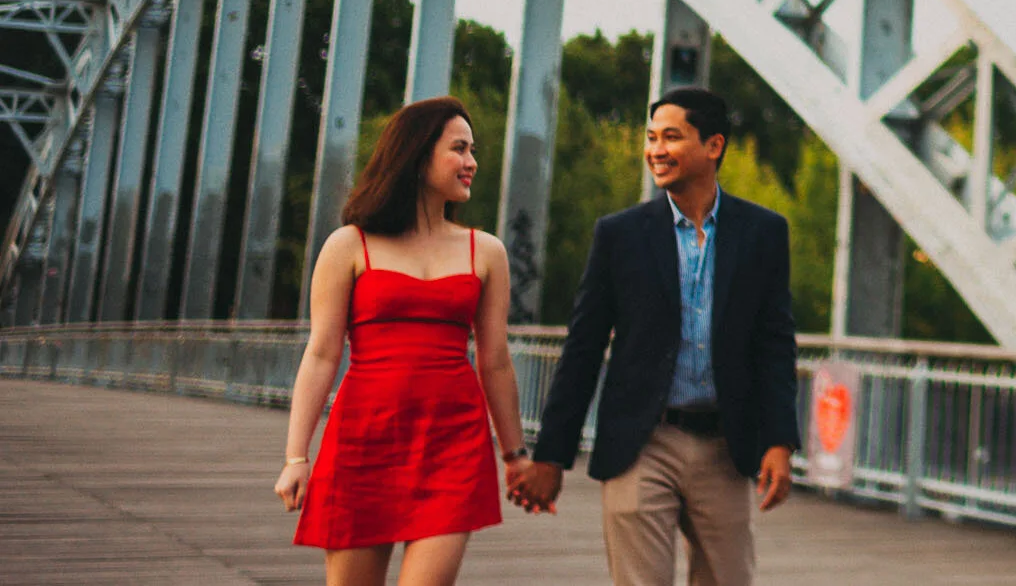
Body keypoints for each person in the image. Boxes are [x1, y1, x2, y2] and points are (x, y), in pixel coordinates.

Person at [510, 85, 799, 586]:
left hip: (724, 445)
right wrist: (552, 456)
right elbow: (583, 347)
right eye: (651, 137)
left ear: (713, 145)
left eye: (671, 137)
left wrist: (779, 441)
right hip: (641, 442)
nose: (656, 150)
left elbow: (774, 344)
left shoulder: (763, 232)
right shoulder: (620, 235)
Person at [275, 96, 532, 586]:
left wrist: (515, 455)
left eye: (473, 150)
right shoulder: (349, 244)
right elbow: (322, 353)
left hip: (453, 442)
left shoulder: (486, 251)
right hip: (363, 440)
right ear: (417, 154)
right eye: (459, 149)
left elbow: (496, 361)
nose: (472, 162)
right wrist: (296, 457)